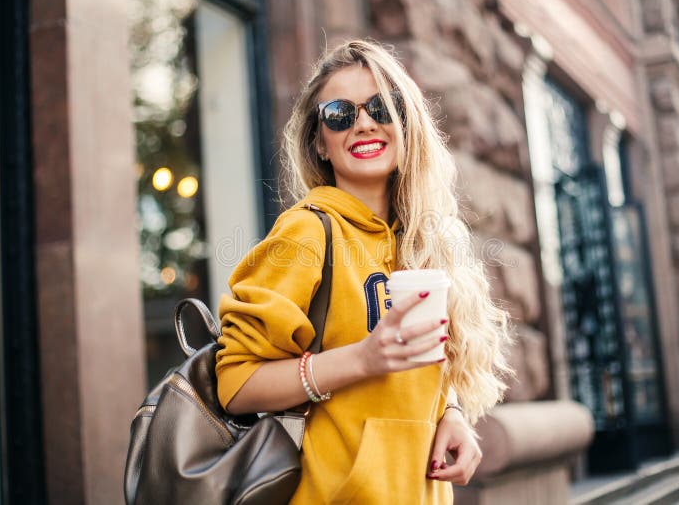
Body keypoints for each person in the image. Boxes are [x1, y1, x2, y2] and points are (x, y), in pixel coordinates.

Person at [216, 39, 512, 504]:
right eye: (340, 114)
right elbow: (235, 384)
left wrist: (450, 412)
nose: (365, 123)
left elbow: (415, 376)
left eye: (381, 106)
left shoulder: (424, 239)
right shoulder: (307, 232)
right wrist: (361, 359)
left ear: (406, 122)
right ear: (320, 141)